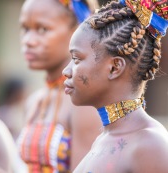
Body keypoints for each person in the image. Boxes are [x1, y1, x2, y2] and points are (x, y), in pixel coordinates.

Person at [62, 0, 168, 172]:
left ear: (114, 68)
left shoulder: (150, 145)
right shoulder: (104, 138)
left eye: (76, 59)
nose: (66, 71)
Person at [18, 0, 101, 172]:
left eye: (42, 29)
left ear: (77, 31)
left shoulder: (85, 103)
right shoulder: (34, 101)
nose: (28, 40)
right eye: (25, 29)